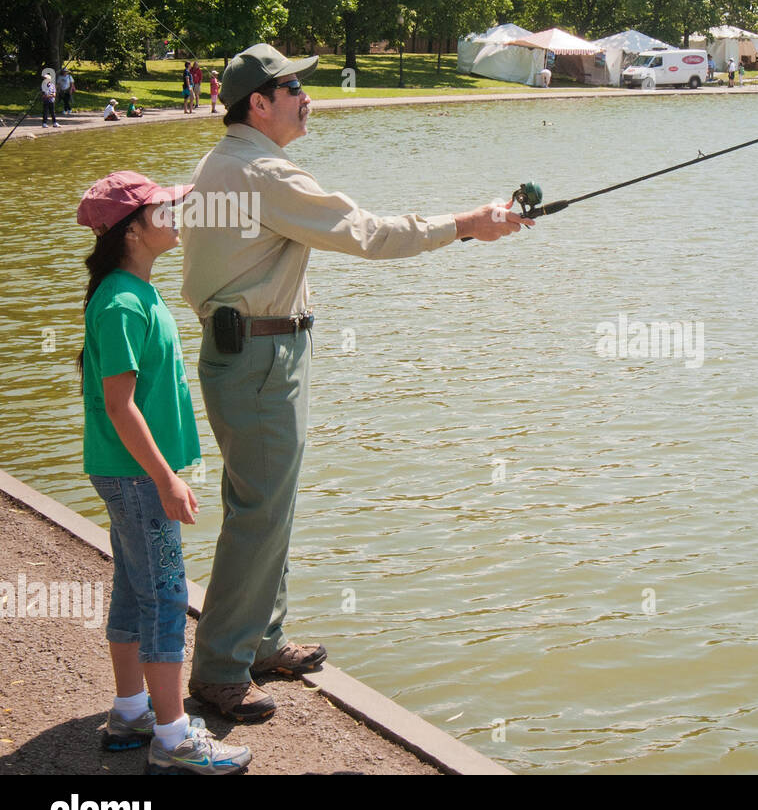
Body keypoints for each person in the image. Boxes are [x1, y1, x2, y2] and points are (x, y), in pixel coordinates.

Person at [178, 43, 534, 721]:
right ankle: (221, 668)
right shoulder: (261, 173)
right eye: (293, 88)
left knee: (266, 505)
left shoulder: (223, 162)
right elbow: (369, 234)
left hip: (251, 353)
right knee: (260, 512)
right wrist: (469, 224)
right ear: (258, 102)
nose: (307, 97)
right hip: (259, 359)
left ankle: (260, 640)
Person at [77, 170, 252, 774]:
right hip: (138, 478)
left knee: (135, 586)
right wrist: (165, 479)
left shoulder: (134, 290)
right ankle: (174, 736)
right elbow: (120, 405)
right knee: (169, 593)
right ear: (130, 230)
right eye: (161, 209)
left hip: (129, 476)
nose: (174, 214)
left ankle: (132, 712)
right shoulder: (123, 302)